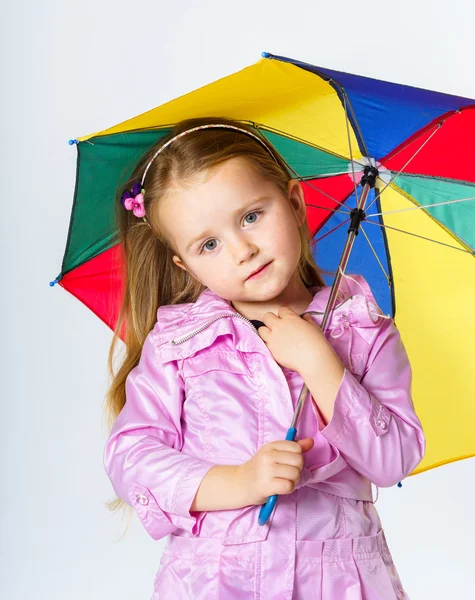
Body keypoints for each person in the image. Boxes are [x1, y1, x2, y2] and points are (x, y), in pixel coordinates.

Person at [103, 116, 426, 599]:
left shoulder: (360, 330)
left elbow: (394, 459)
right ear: (184, 264)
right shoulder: (178, 346)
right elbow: (132, 456)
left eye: (252, 216)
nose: (243, 250)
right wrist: (237, 481)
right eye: (209, 244)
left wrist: (322, 363)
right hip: (217, 581)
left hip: (337, 581)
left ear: (295, 204)